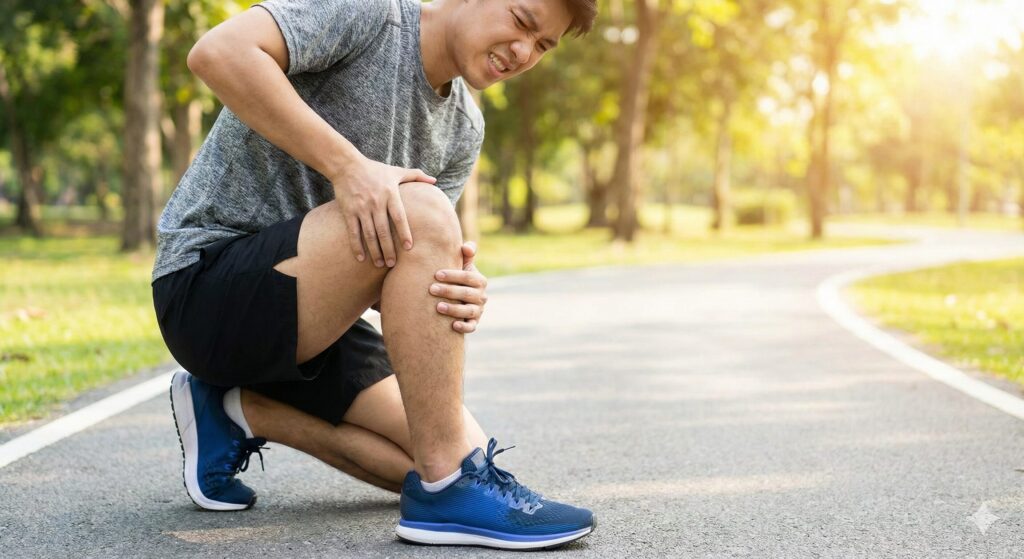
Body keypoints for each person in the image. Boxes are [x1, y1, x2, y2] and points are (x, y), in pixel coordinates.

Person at [152, 0, 597, 550]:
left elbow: (400, 266)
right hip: (207, 288)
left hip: (314, 320)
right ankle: (446, 492)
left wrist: (453, 285)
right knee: (447, 464)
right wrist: (350, 169)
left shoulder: (465, 126)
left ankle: (239, 408)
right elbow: (217, 52)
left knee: (451, 451)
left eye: (544, 46)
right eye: (522, 23)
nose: (524, 52)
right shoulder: (370, 14)